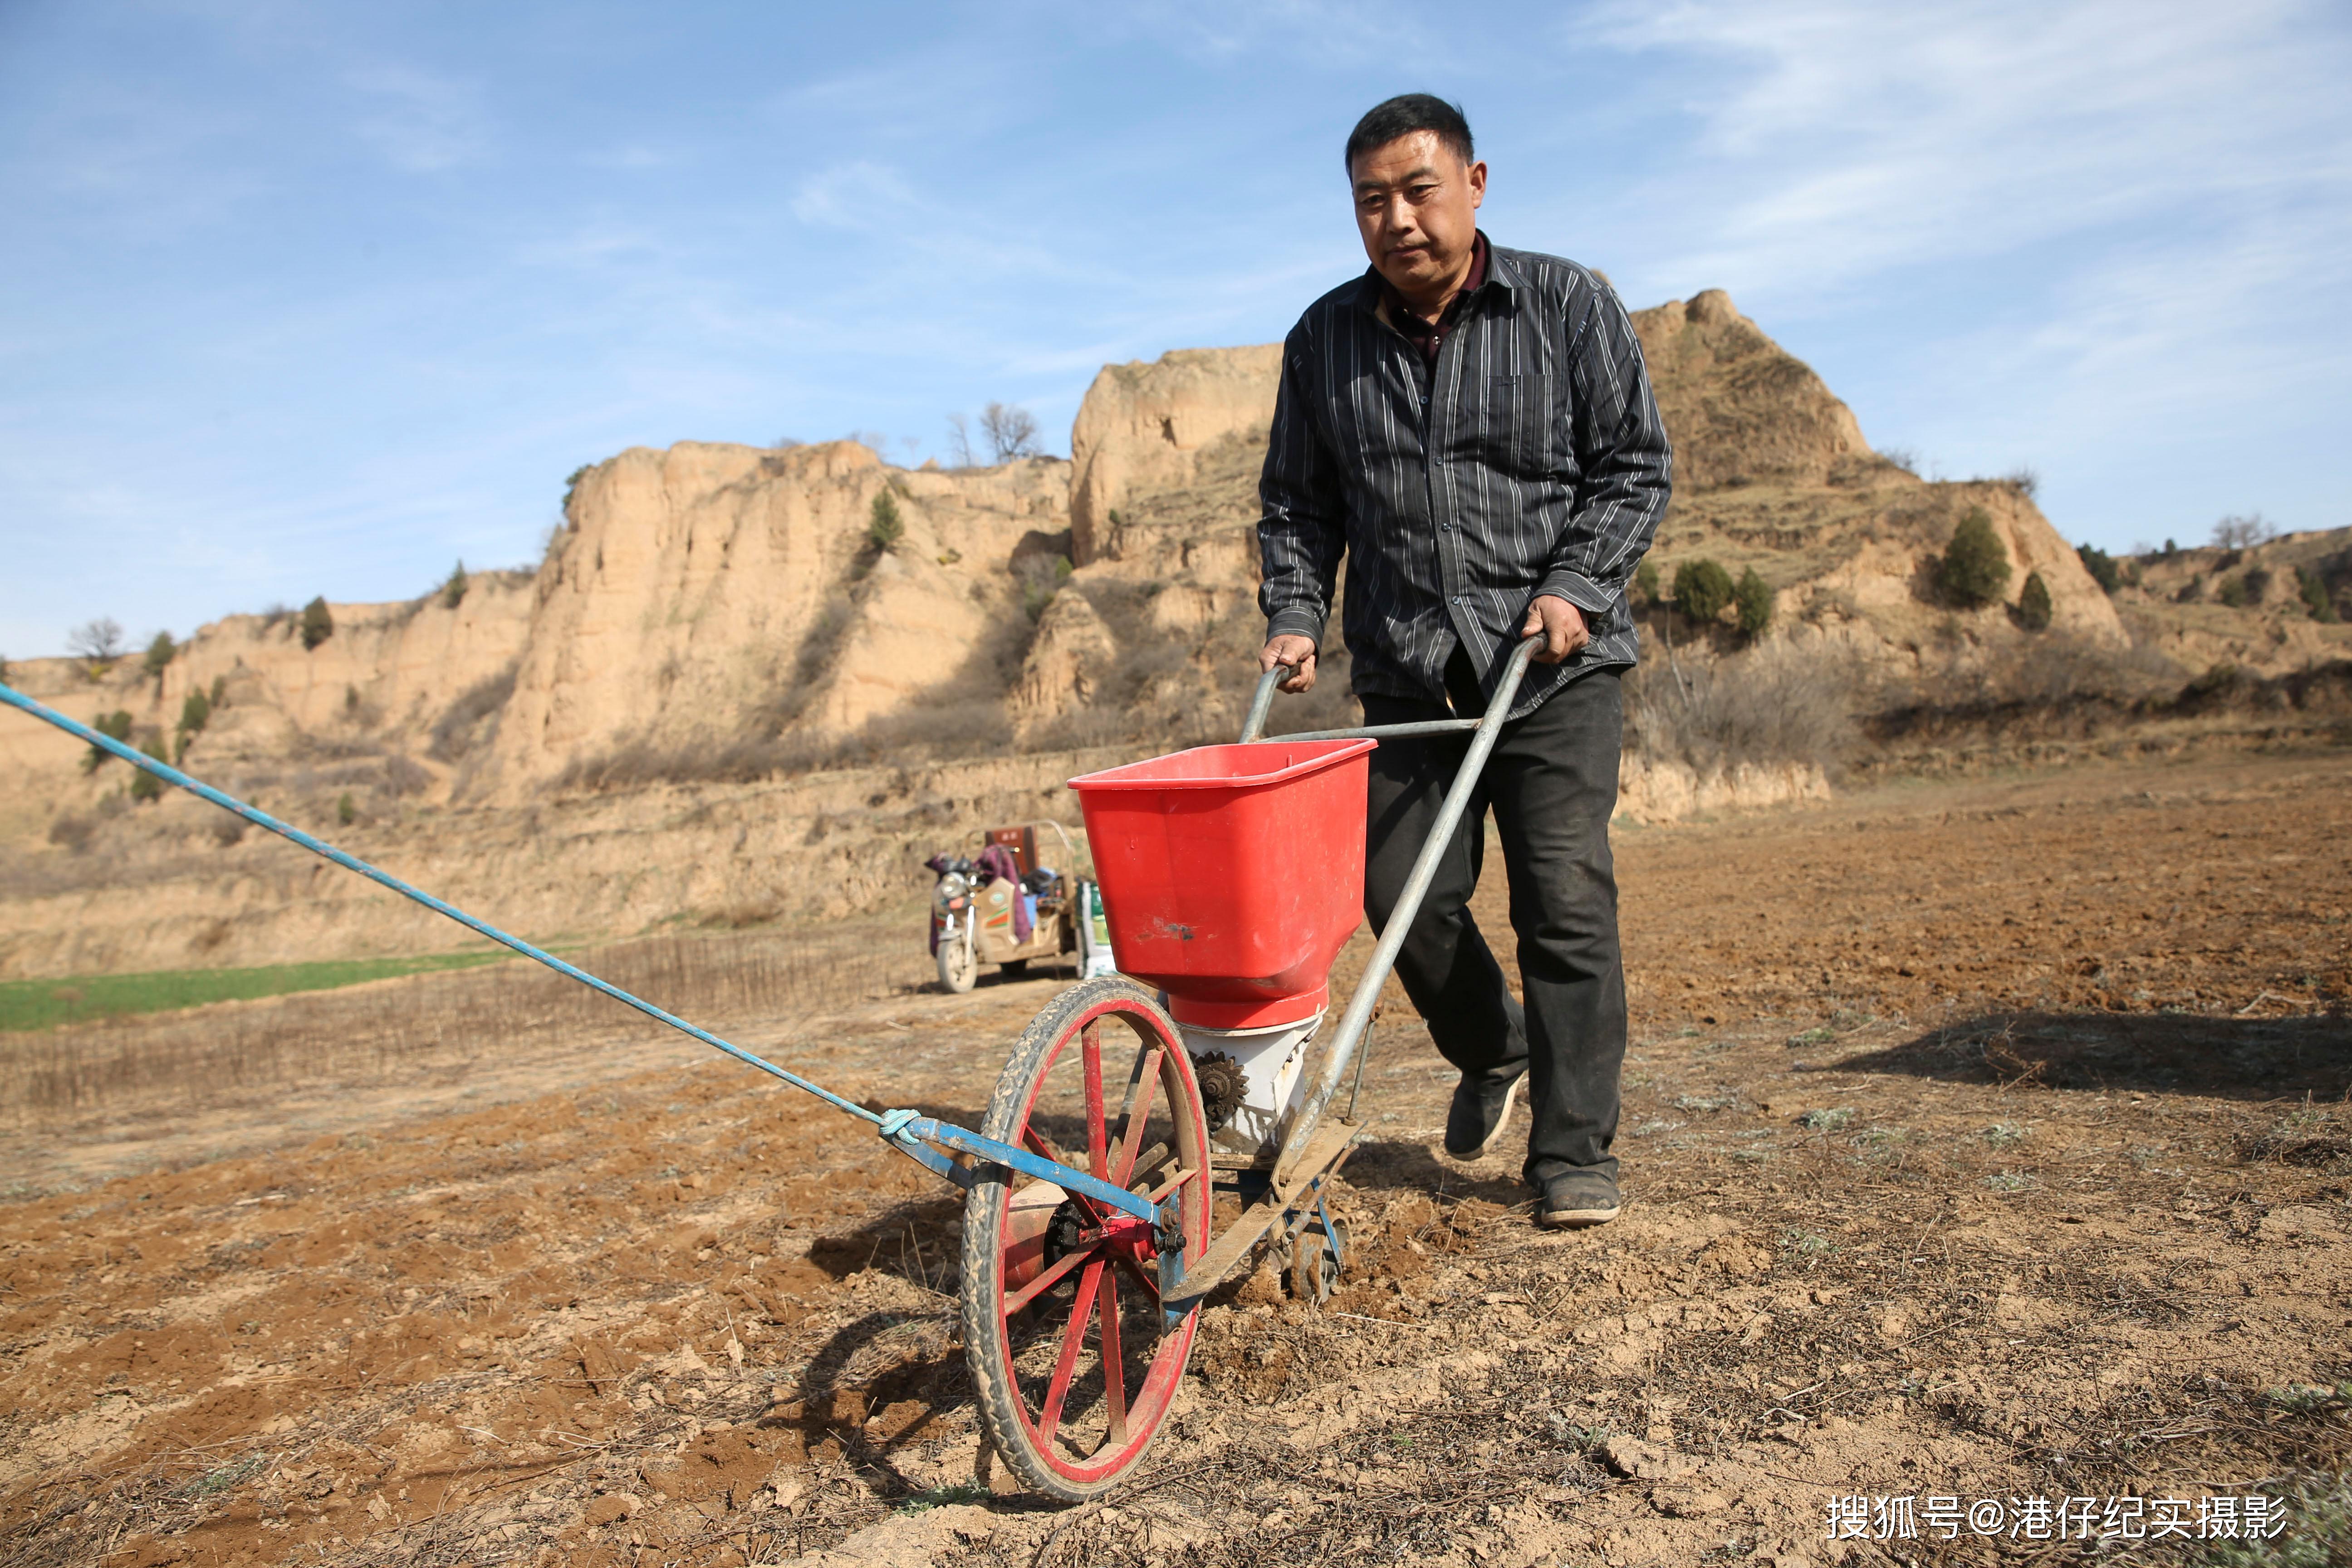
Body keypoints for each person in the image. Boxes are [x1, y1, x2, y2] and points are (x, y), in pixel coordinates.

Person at [1256, 94, 1671, 1229]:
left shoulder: (1567, 302)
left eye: (1417, 189)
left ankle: (1573, 1154)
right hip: (1407, 673)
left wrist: (1576, 585)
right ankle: (1497, 1046)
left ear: (1475, 184)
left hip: (1552, 666)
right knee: (1401, 901)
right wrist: (1296, 610)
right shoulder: (1325, 340)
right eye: (1370, 200)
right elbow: (1298, 503)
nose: (1396, 219)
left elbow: (1633, 468)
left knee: (1564, 904)